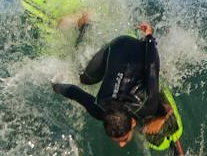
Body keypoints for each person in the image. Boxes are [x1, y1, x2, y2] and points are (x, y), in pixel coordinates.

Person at [54, 21, 177, 149]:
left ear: (133, 122)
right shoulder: (99, 109)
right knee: (84, 78)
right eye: (121, 140)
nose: (121, 145)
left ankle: (89, 25)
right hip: (116, 48)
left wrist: (149, 38)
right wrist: (55, 86)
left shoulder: (147, 101)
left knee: (151, 112)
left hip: (132, 47)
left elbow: (152, 67)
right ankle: (84, 26)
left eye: (122, 139)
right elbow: (74, 92)